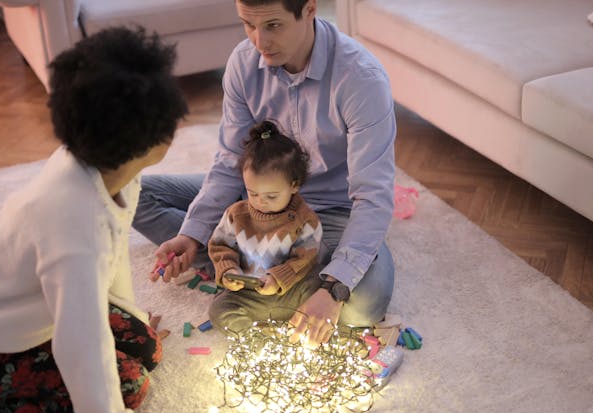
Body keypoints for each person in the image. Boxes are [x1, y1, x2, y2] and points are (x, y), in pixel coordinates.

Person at [0, 27, 188, 413]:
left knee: (145, 342)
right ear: (147, 140)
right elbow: (79, 340)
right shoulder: (75, 223)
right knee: (130, 386)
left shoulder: (109, 169)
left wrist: (132, 316)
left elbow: (111, 259)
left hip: (12, 309)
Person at [136, 0, 397, 346]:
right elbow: (231, 162)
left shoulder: (361, 79)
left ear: (309, 9)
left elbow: (372, 196)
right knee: (136, 195)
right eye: (248, 25)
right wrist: (193, 235)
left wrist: (334, 288)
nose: (259, 42)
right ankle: (271, 274)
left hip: (330, 211)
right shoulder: (243, 64)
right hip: (255, 198)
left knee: (362, 305)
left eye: (273, 26)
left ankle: (268, 277)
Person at [208, 120, 322, 333]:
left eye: (271, 195)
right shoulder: (236, 215)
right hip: (248, 294)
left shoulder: (305, 220)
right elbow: (221, 247)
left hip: (290, 290)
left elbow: (304, 260)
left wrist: (277, 278)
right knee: (219, 308)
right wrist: (229, 270)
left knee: (321, 282)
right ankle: (251, 336)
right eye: (253, 193)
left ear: (294, 185)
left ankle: (299, 322)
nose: (261, 201)